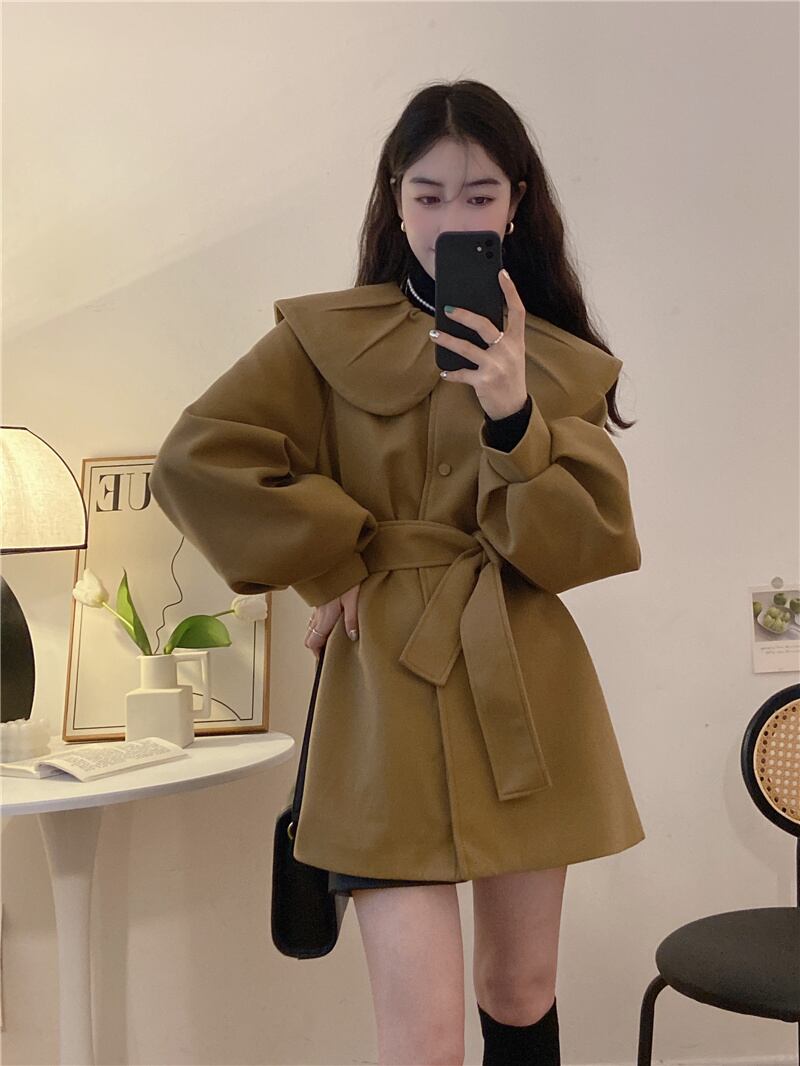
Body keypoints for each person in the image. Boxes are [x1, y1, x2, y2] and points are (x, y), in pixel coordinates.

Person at [149, 79, 644, 1066]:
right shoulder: (320, 341)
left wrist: (513, 413)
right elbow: (194, 461)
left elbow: (580, 545)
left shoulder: (561, 364)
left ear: (516, 203)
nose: (452, 218)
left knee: (520, 990)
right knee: (420, 1040)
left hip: (523, 685)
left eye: (478, 195)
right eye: (428, 194)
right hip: (383, 696)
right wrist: (331, 557)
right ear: (394, 198)